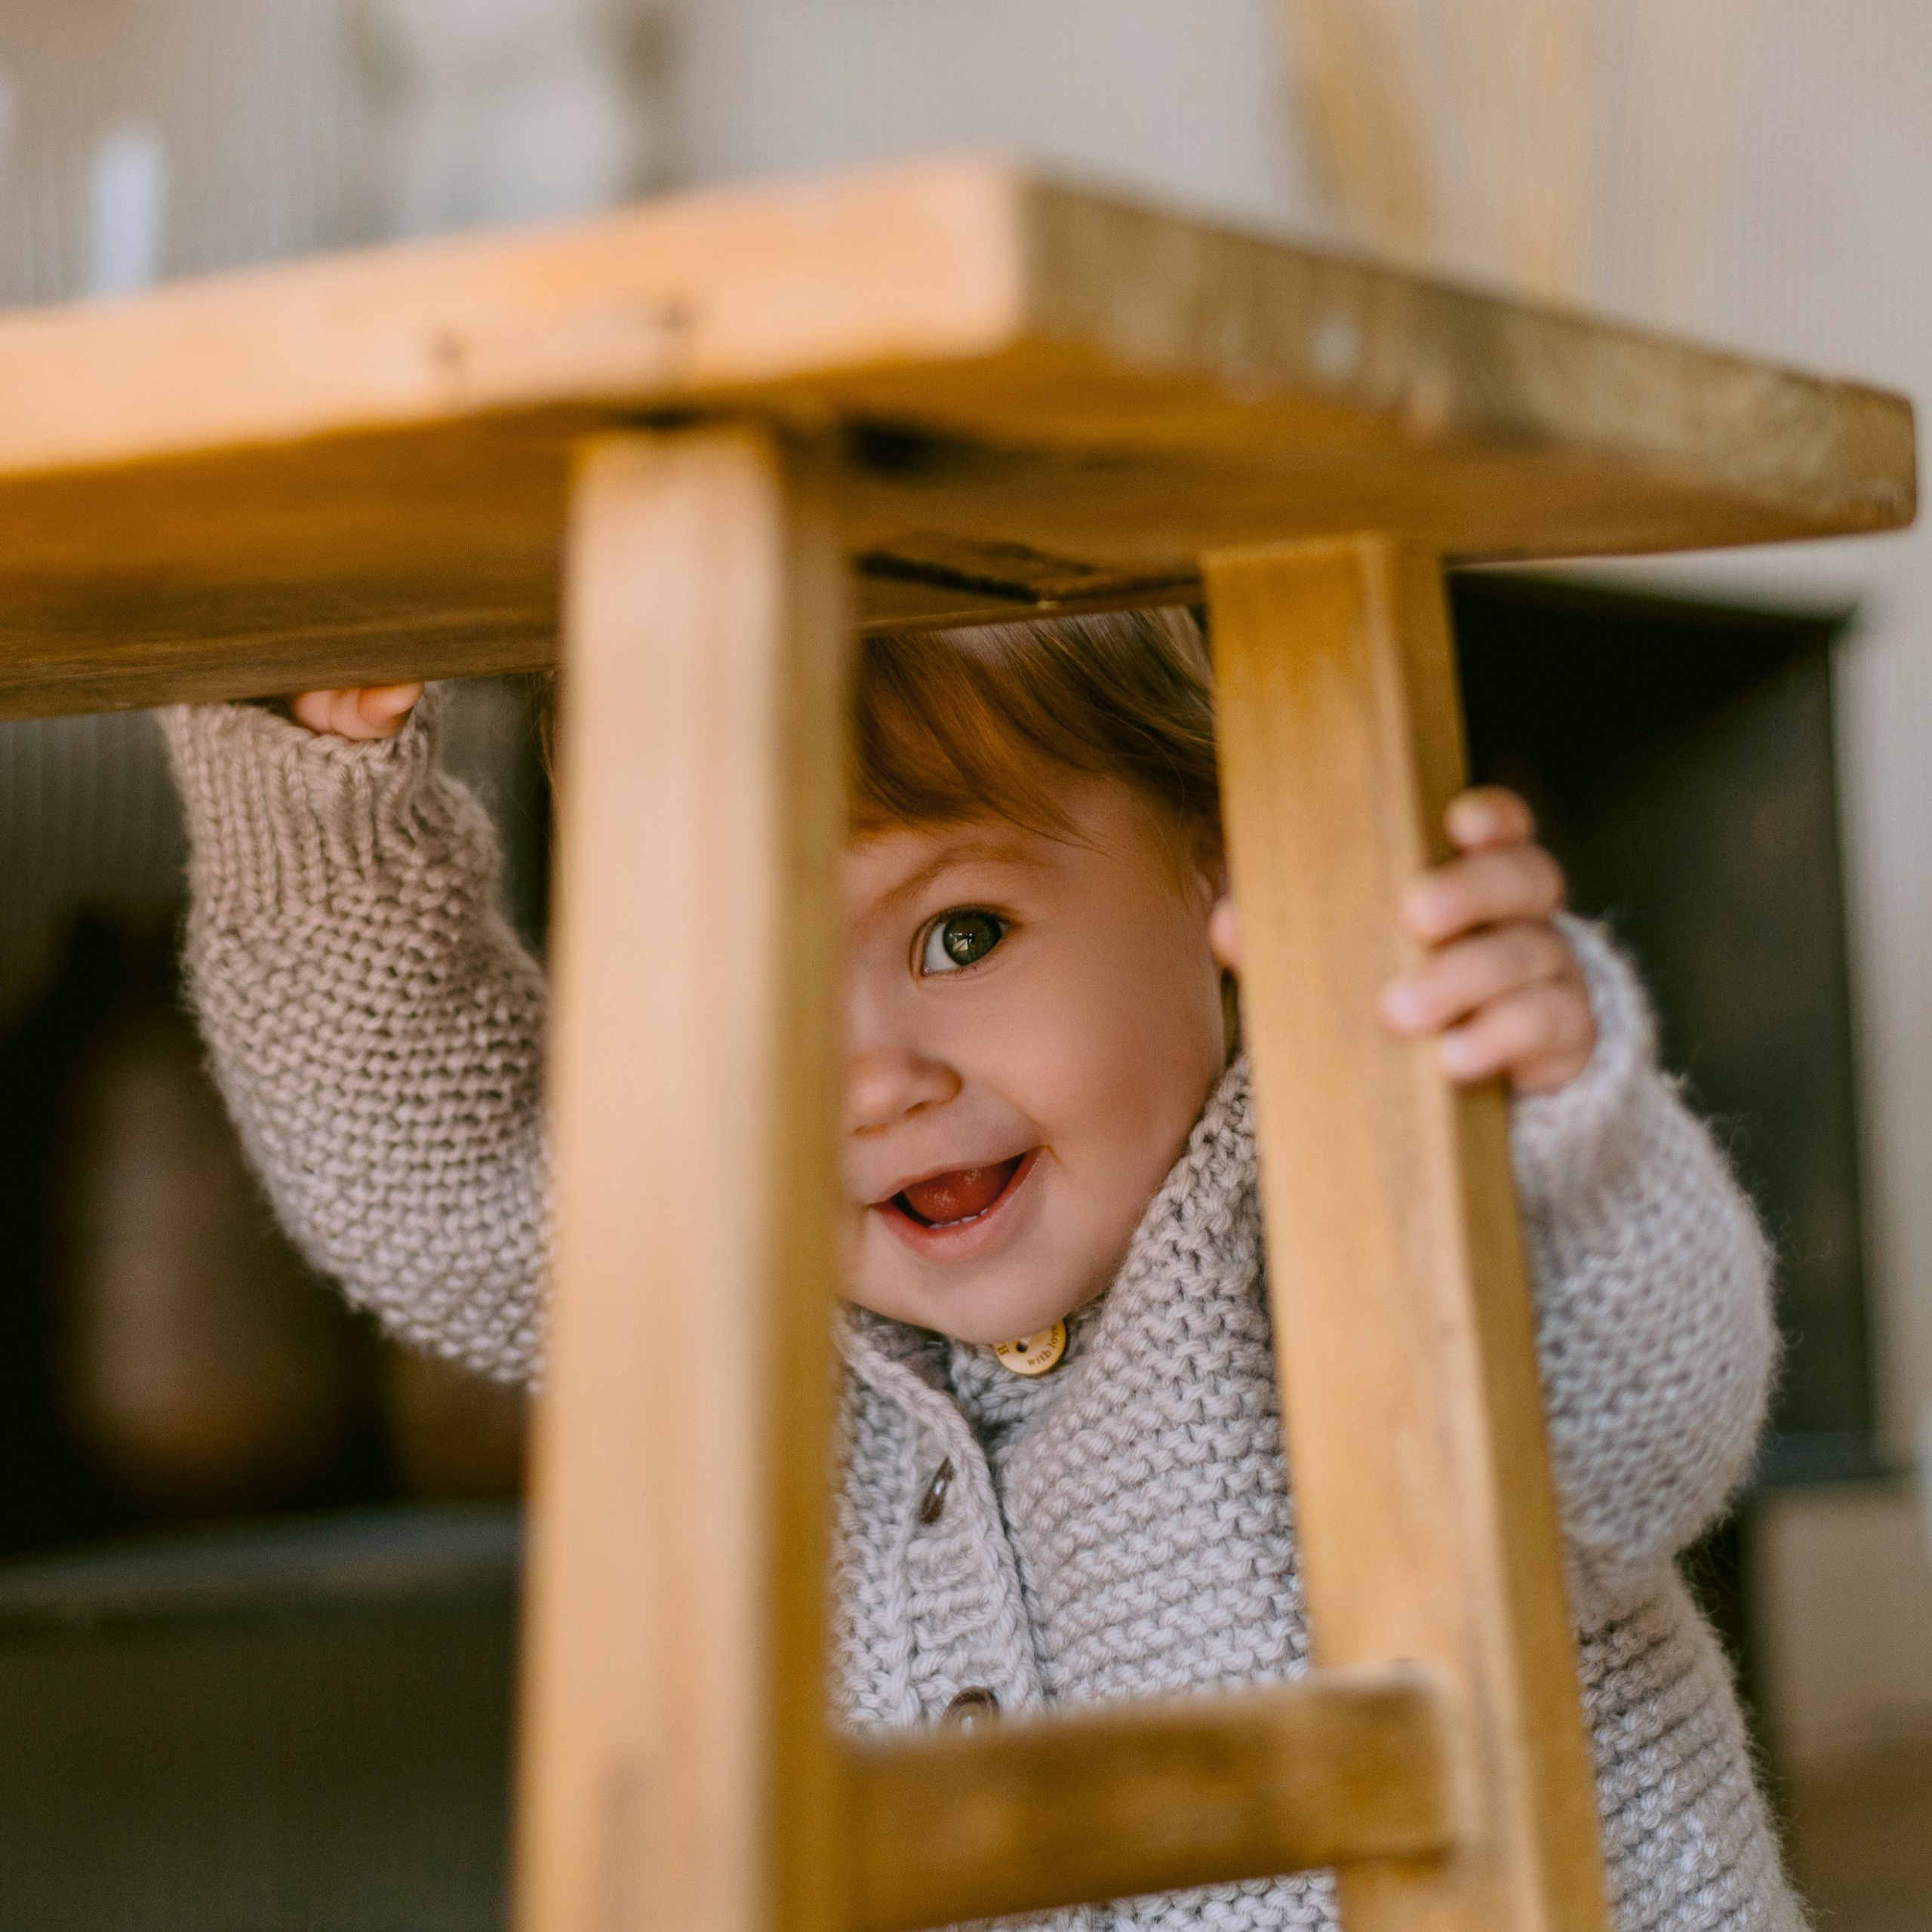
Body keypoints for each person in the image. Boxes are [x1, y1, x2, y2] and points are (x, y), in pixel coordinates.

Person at [162, 608, 1804, 1930]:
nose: (865, 1074)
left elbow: (1643, 1430)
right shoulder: (756, 1279)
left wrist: (1531, 1122)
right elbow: (433, 1184)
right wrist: (324, 797)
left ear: (1221, 868)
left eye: (960, 935)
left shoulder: (1338, 1166)